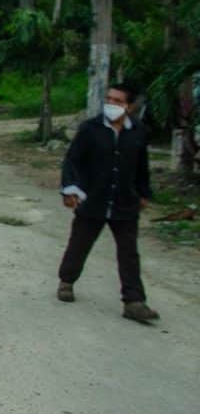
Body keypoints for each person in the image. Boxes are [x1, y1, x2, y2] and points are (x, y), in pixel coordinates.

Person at [57, 83, 159, 323]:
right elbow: (73, 160)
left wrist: (144, 193)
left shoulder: (138, 132)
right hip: (93, 199)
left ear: (130, 106)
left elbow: (141, 166)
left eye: (118, 101)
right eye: (109, 99)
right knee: (80, 244)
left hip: (125, 201)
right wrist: (70, 189)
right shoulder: (91, 129)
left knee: (128, 252)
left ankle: (133, 301)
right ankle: (67, 281)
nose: (111, 104)